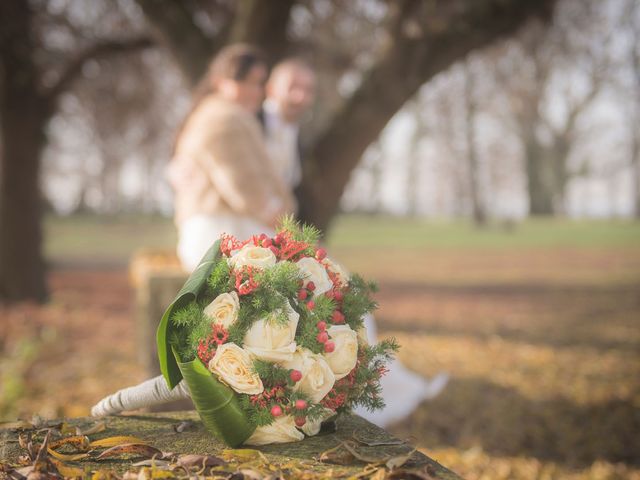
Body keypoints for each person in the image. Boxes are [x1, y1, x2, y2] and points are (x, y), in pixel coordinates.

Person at [261, 58, 449, 428]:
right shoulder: (251, 125)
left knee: (346, 290)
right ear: (270, 87)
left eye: (309, 89)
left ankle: (356, 384)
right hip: (255, 232)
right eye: (292, 86)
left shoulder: (293, 134)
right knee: (329, 289)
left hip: (278, 233)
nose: (301, 96)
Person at [167, 44, 296, 272]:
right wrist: (281, 218)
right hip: (224, 234)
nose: (254, 91)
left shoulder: (213, 114)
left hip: (219, 230)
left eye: (258, 83)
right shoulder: (224, 118)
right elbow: (243, 186)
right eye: (244, 82)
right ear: (219, 82)